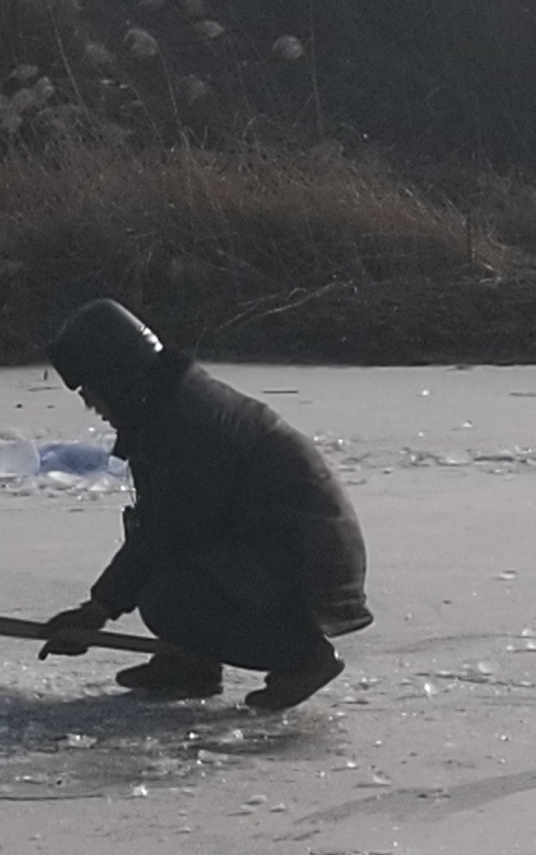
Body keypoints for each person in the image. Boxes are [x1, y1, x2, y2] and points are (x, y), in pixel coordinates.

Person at [34, 299, 369, 712]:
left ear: (118, 379)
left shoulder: (188, 425)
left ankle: (303, 658)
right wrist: (101, 607)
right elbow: (165, 525)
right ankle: (191, 662)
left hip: (304, 560)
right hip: (271, 546)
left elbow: (169, 533)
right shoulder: (167, 407)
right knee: (168, 562)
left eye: (91, 391)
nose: (92, 406)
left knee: (168, 600)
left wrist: (98, 610)